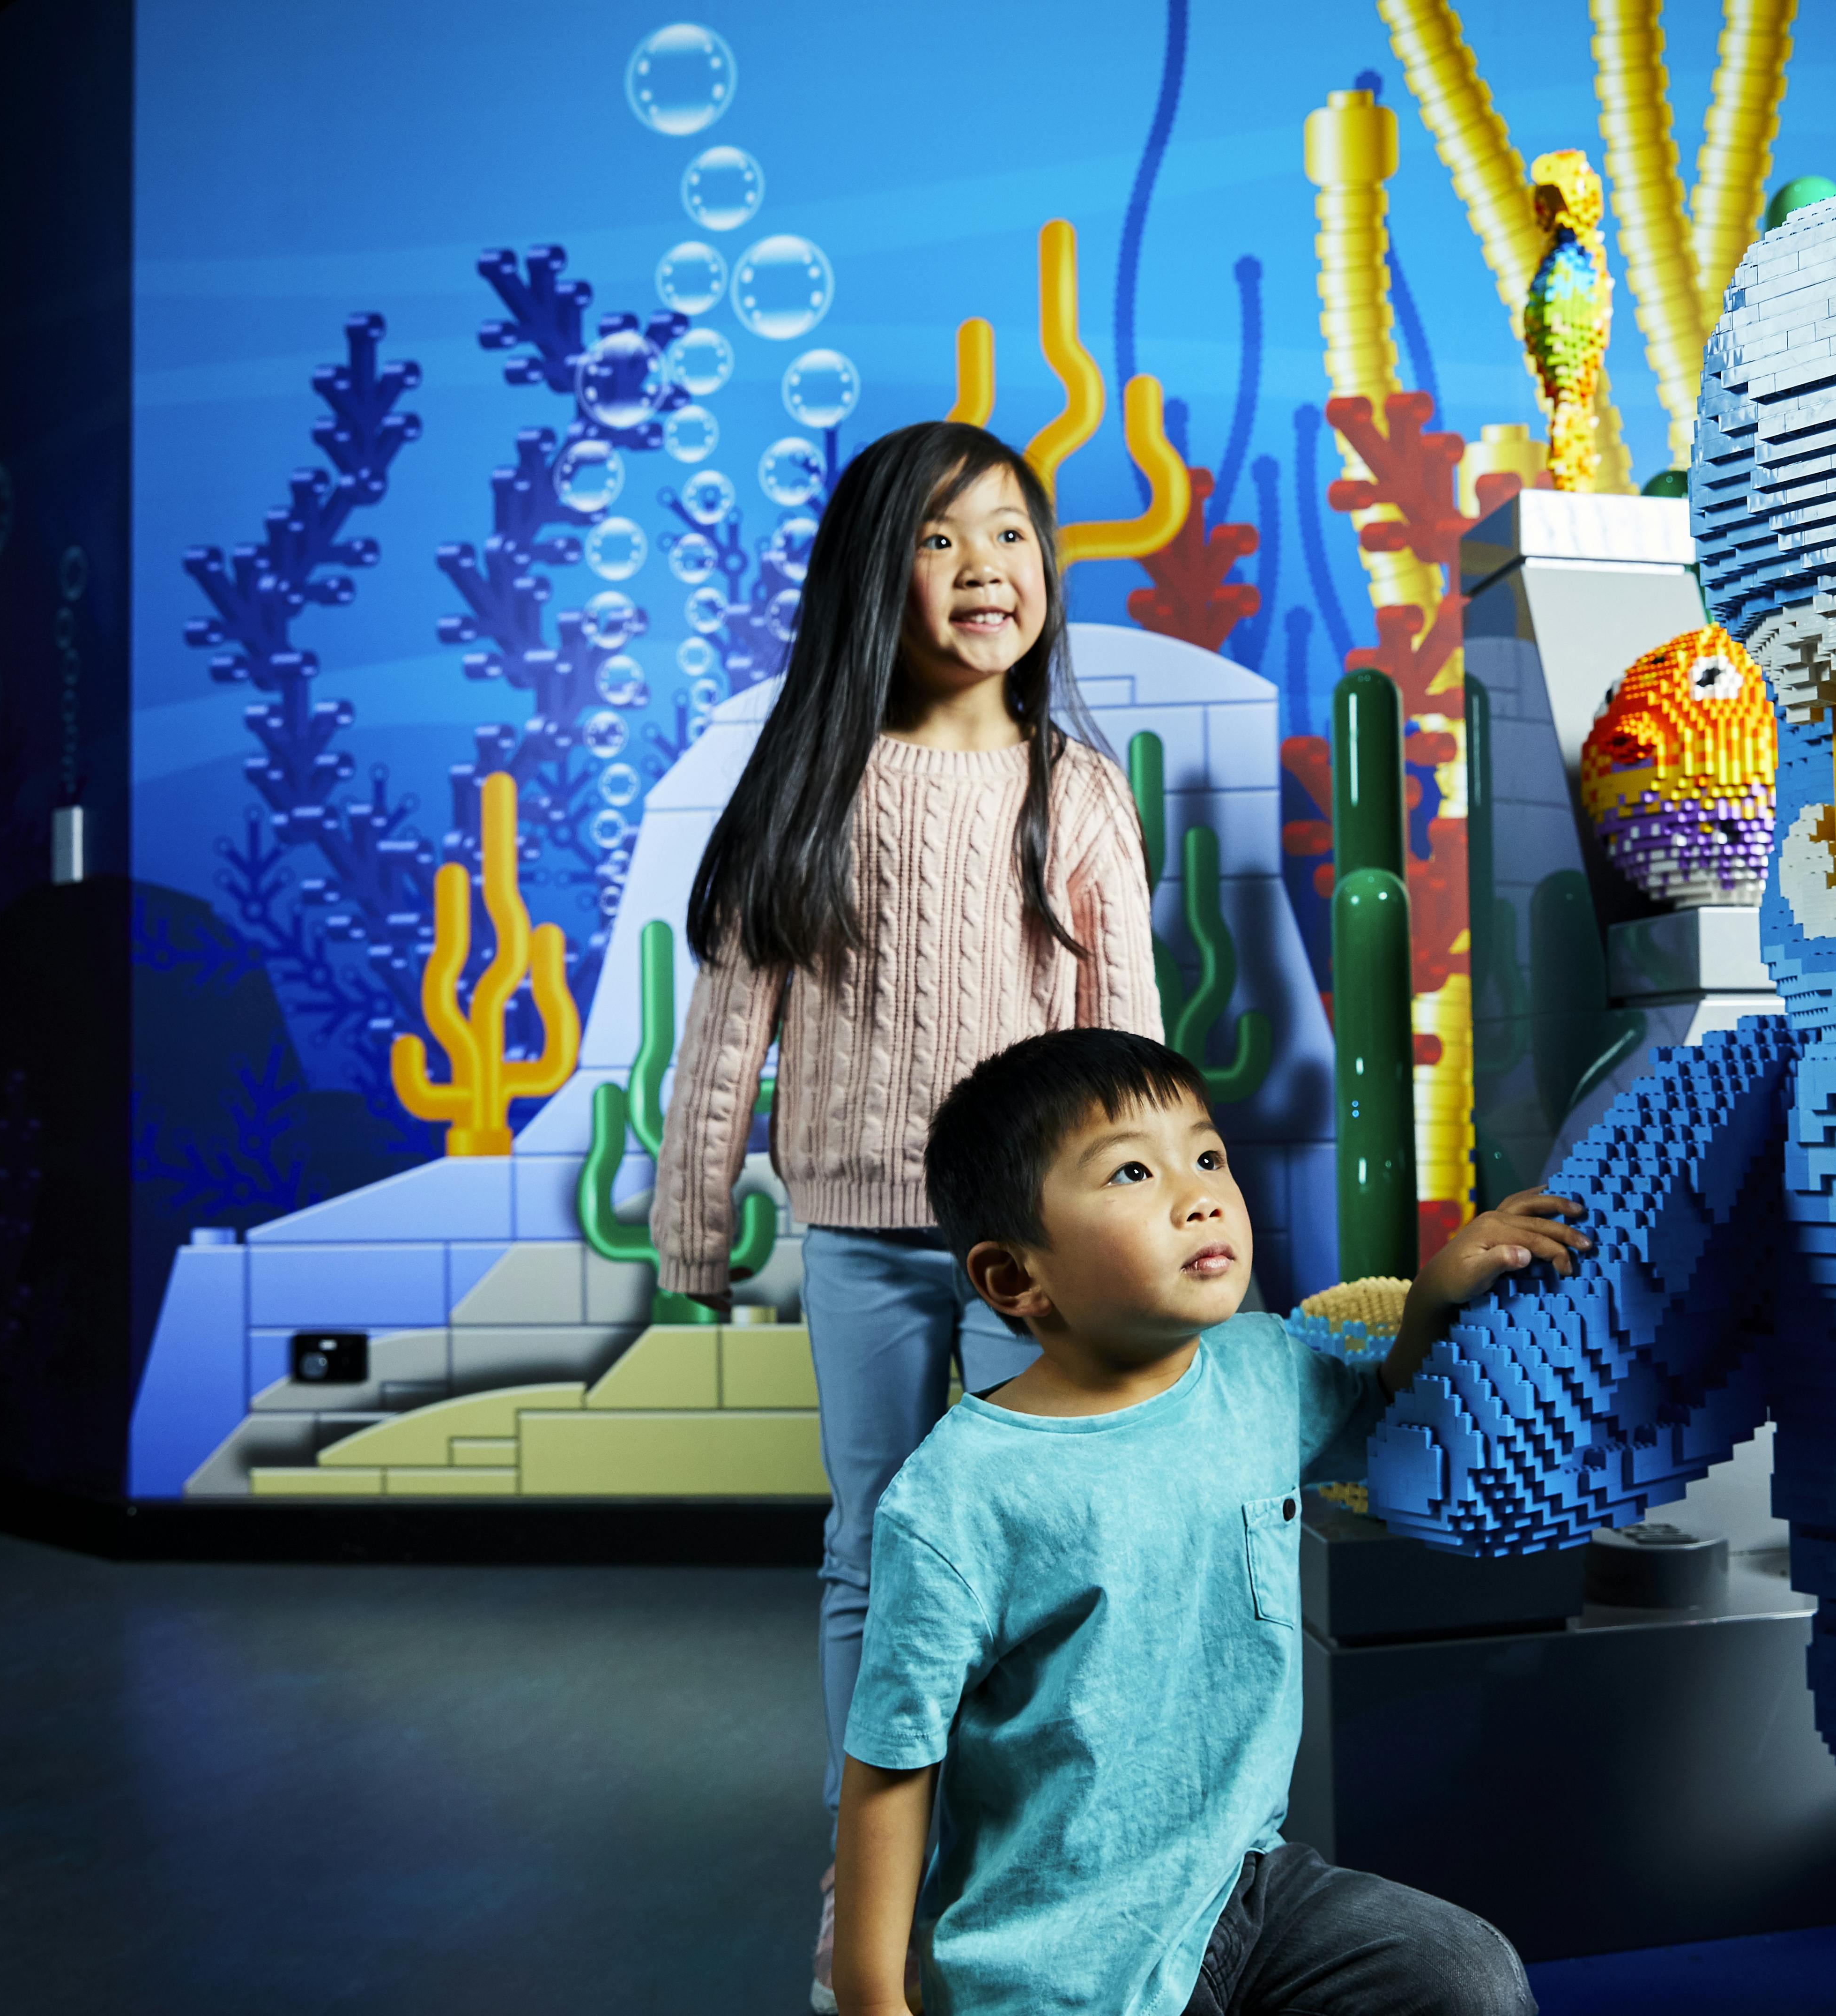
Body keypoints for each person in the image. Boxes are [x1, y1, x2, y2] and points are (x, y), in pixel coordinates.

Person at [650, 422, 1161, 2011]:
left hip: (1034, 1249)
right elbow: (729, 1019)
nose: (986, 570)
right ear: (881, 574)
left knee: (1046, 1540)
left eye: (1010, 536)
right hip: (862, 1232)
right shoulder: (813, 777)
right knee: (874, 1540)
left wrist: (1143, 1222)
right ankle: (862, 1861)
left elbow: (1122, 1028)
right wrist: (694, 1206)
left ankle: (1041, 1857)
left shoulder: (1069, 785)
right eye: (942, 540)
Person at [832, 1026, 1584, 2015]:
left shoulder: (1264, 1366)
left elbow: (1383, 1408)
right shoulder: (960, 1491)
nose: (1199, 1193)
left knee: (1465, 1974)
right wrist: (871, 1995)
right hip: (1056, 1958)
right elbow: (892, 1762)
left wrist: (1434, 1301)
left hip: (1242, 1885)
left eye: (1207, 1155)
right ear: (1016, 1280)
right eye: (1133, 1171)